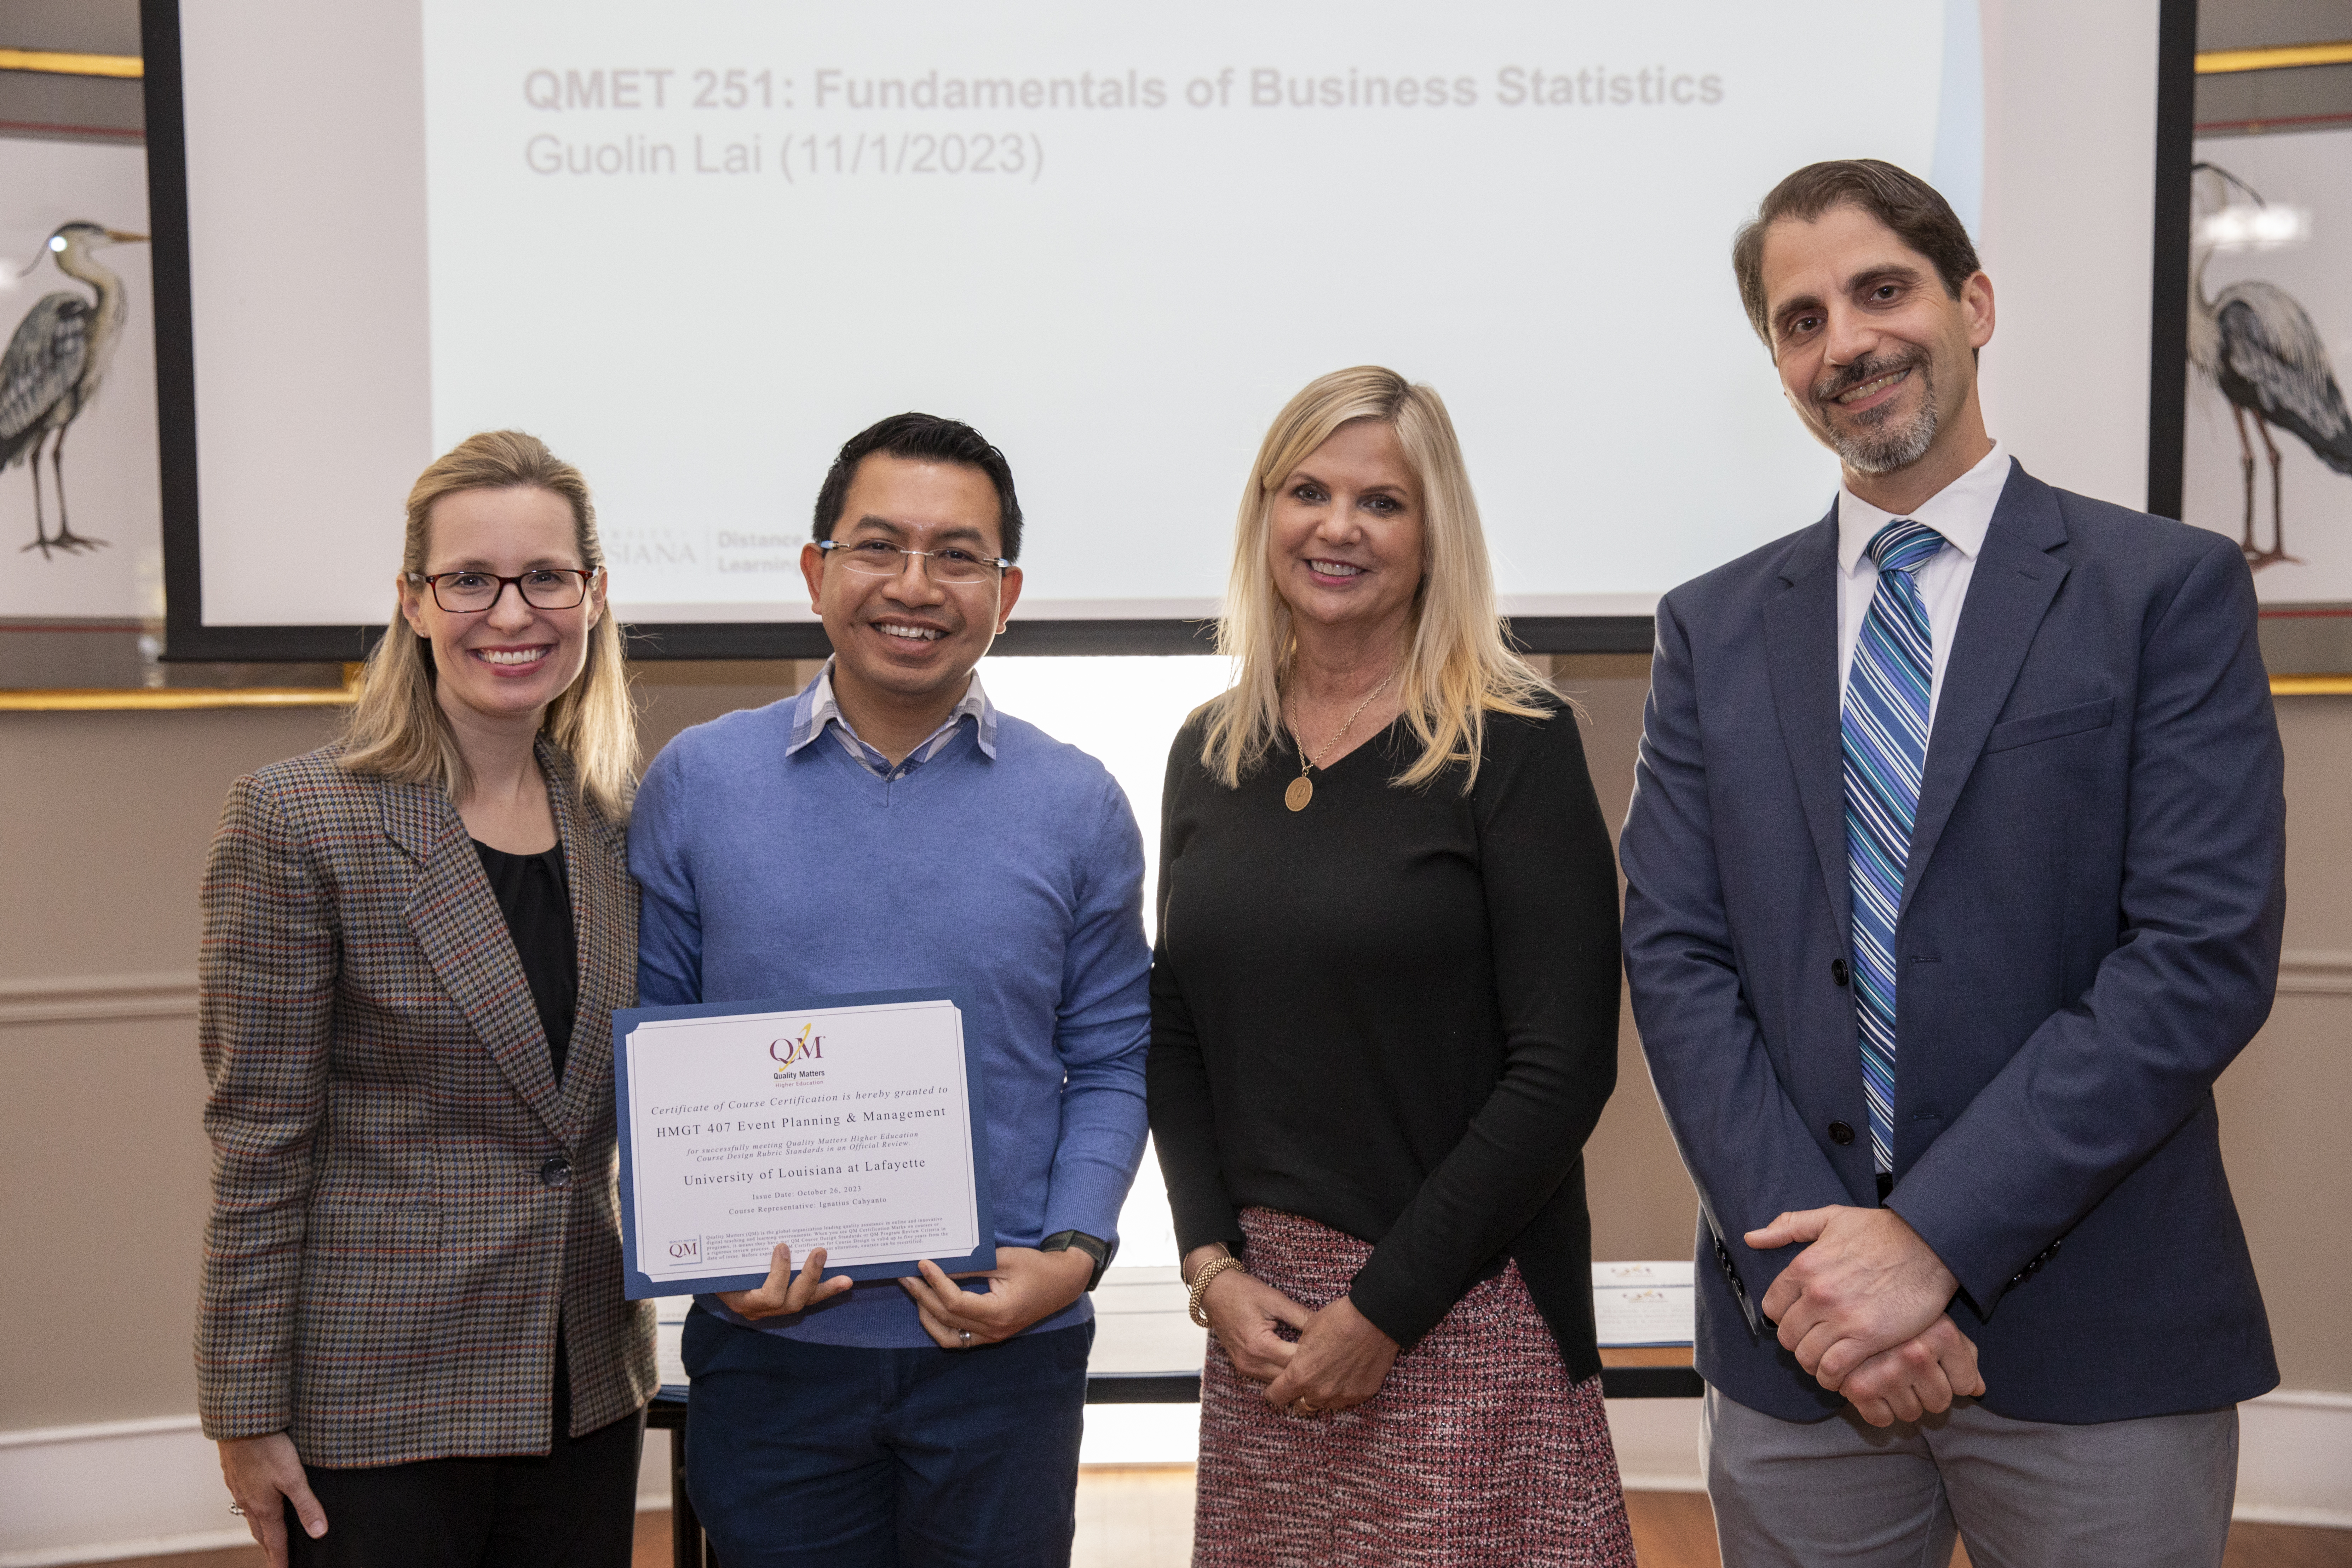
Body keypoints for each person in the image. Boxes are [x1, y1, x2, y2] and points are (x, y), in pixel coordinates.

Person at [1618, 160, 2285, 1568]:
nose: (1845, 342)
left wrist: (1926, 1245)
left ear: (1972, 304)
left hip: (2097, 1341)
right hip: (1797, 1352)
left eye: (1880, 290)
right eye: (1800, 320)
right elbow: (1678, 960)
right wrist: (1821, 1277)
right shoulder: (1712, 629)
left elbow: (2196, 957)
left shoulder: (2162, 591)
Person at [628, 412, 1152, 1567]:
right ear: (818, 572)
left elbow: (1114, 1060)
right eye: (878, 547)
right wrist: (714, 1266)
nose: (915, 585)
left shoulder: (1079, 805)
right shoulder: (697, 784)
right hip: (773, 1357)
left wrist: (1072, 1251)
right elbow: (654, 1049)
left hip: (1005, 1356)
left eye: (958, 556)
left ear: (1005, 595)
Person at [1149, 366, 1636, 1566]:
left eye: (1383, 503)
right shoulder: (1209, 751)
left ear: (1434, 538)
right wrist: (1211, 1270)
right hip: (1263, 1324)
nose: (1337, 527)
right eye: (1307, 491)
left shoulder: (1515, 741)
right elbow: (1174, 1035)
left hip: (1466, 1304)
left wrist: (1382, 1313)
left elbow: (1561, 1071)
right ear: (1265, 515)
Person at [199, 431, 655, 1568]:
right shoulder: (298, 821)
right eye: (471, 581)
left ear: (593, 597)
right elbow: (259, 1144)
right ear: (413, 602)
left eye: (547, 577)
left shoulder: (621, 824)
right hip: (377, 1398)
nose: (513, 613)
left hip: (587, 1387)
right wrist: (241, 1409)